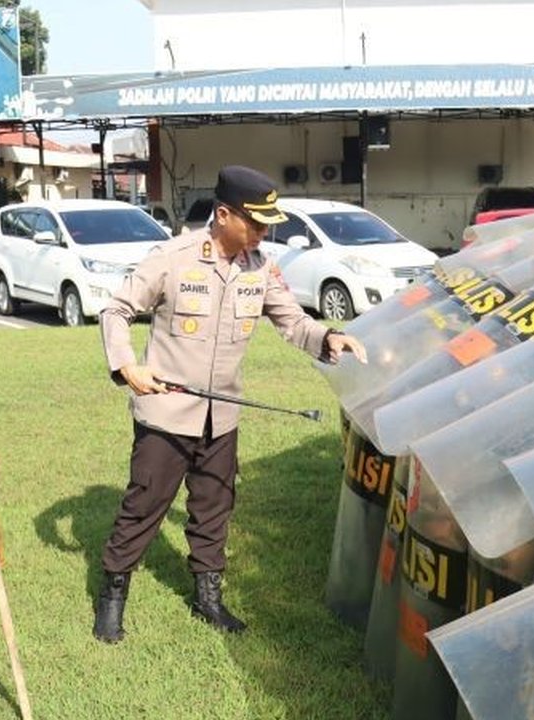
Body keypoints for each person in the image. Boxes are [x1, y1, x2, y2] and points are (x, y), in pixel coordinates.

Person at [93, 165, 367, 644]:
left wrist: (330, 338)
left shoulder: (260, 267)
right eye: (255, 223)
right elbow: (117, 309)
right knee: (145, 506)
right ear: (223, 215)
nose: (263, 232)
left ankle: (208, 598)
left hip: (222, 417)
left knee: (215, 507)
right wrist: (127, 365)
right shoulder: (173, 258)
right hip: (166, 414)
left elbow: (293, 322)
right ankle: (112, 594)